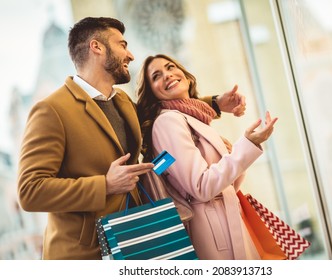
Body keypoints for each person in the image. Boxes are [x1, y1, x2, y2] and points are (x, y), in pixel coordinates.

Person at [17, 17, 247, 260]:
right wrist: (104, 185)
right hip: (86, 255)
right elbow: (30, 191)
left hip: (140, 239)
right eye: (122, 45)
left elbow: (158, 112)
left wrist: (215, 103)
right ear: (97, 47)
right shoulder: (51, 110)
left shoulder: (122, 102)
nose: (130, 55)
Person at [136, 54, 278, 260]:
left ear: (185, 75)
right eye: (157, 76)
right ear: (152, 93)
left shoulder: (193, 117)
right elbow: (201, 186)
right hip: (211, 232)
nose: (167, 75)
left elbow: (228, 184)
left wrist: (232, 153)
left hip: (226, 222)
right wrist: (247, 146)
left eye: (170, 67)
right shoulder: (168, 122)